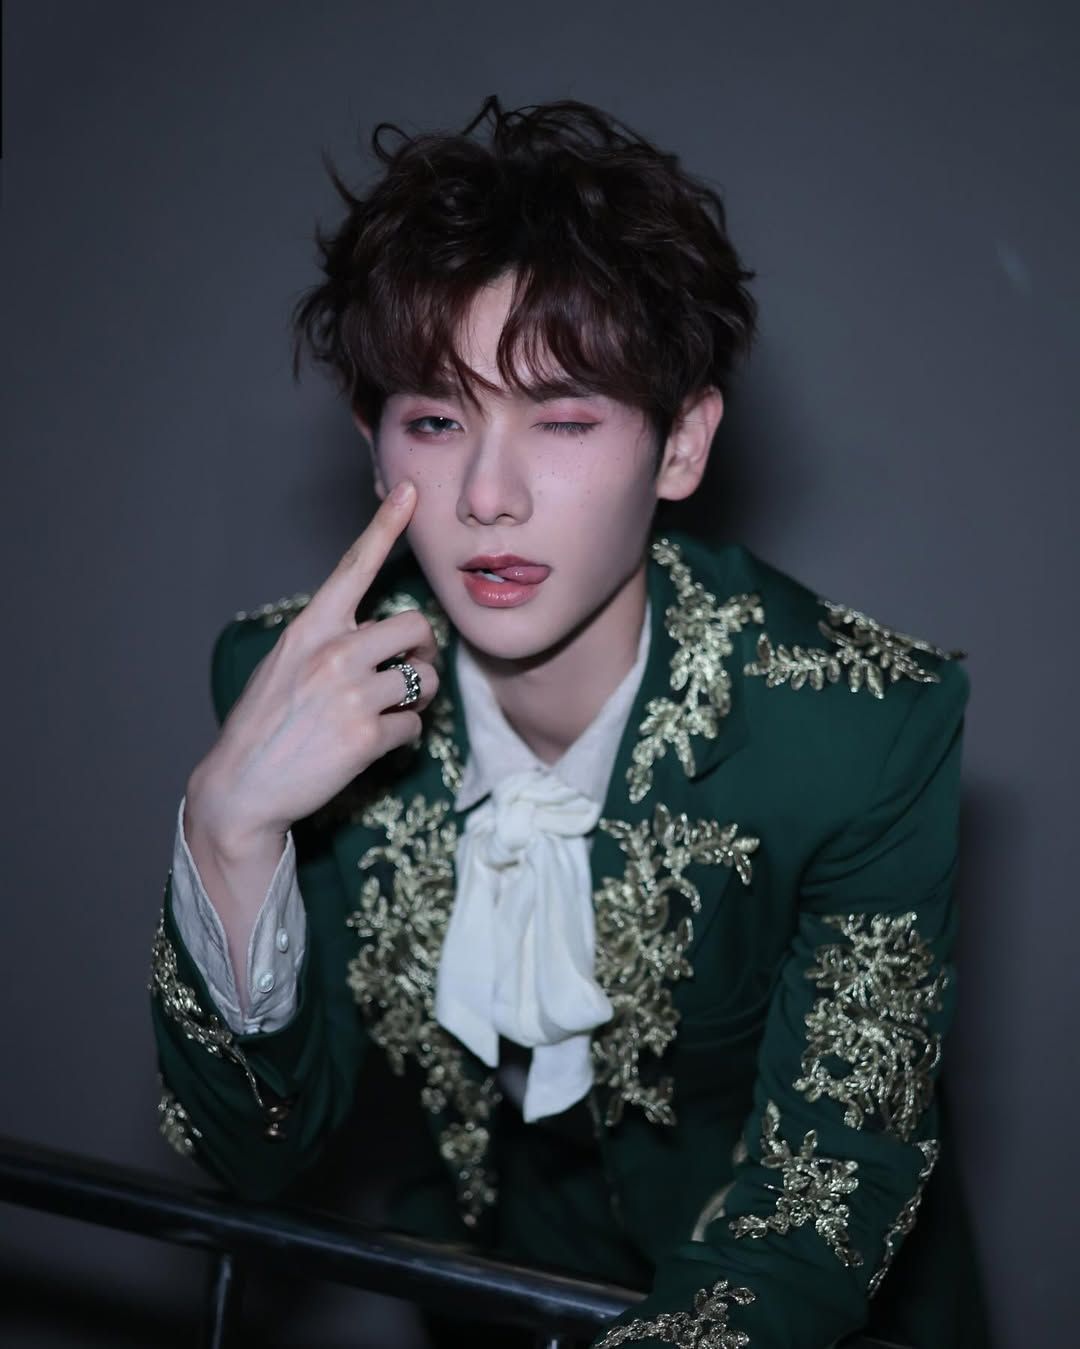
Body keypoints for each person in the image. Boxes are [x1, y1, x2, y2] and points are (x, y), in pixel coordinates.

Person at [150, 97, 986, 1347]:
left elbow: (816, 1208)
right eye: (437, 420)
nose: (489, 496)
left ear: (681, 444)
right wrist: (225, 831)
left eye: (565, 419)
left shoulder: (863, 732)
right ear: (376, 450)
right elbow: (253, 1157)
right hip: (488, 1309)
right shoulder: (297, 687)